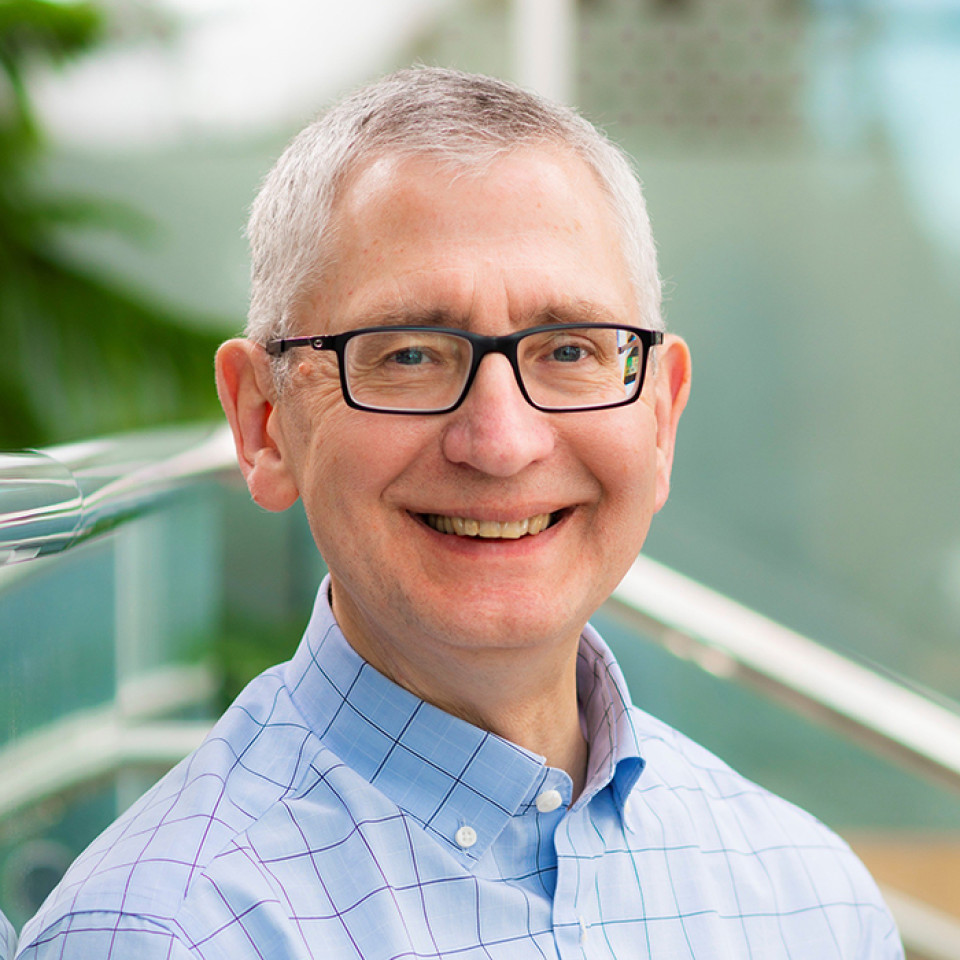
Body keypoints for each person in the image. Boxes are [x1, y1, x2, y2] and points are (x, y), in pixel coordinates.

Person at [16, 66, 902, 959]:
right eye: (407, 355)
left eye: (568, 349)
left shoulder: (812, 902)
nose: (501, 440)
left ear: (661, 415)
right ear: (264, 422)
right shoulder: (164, 934)